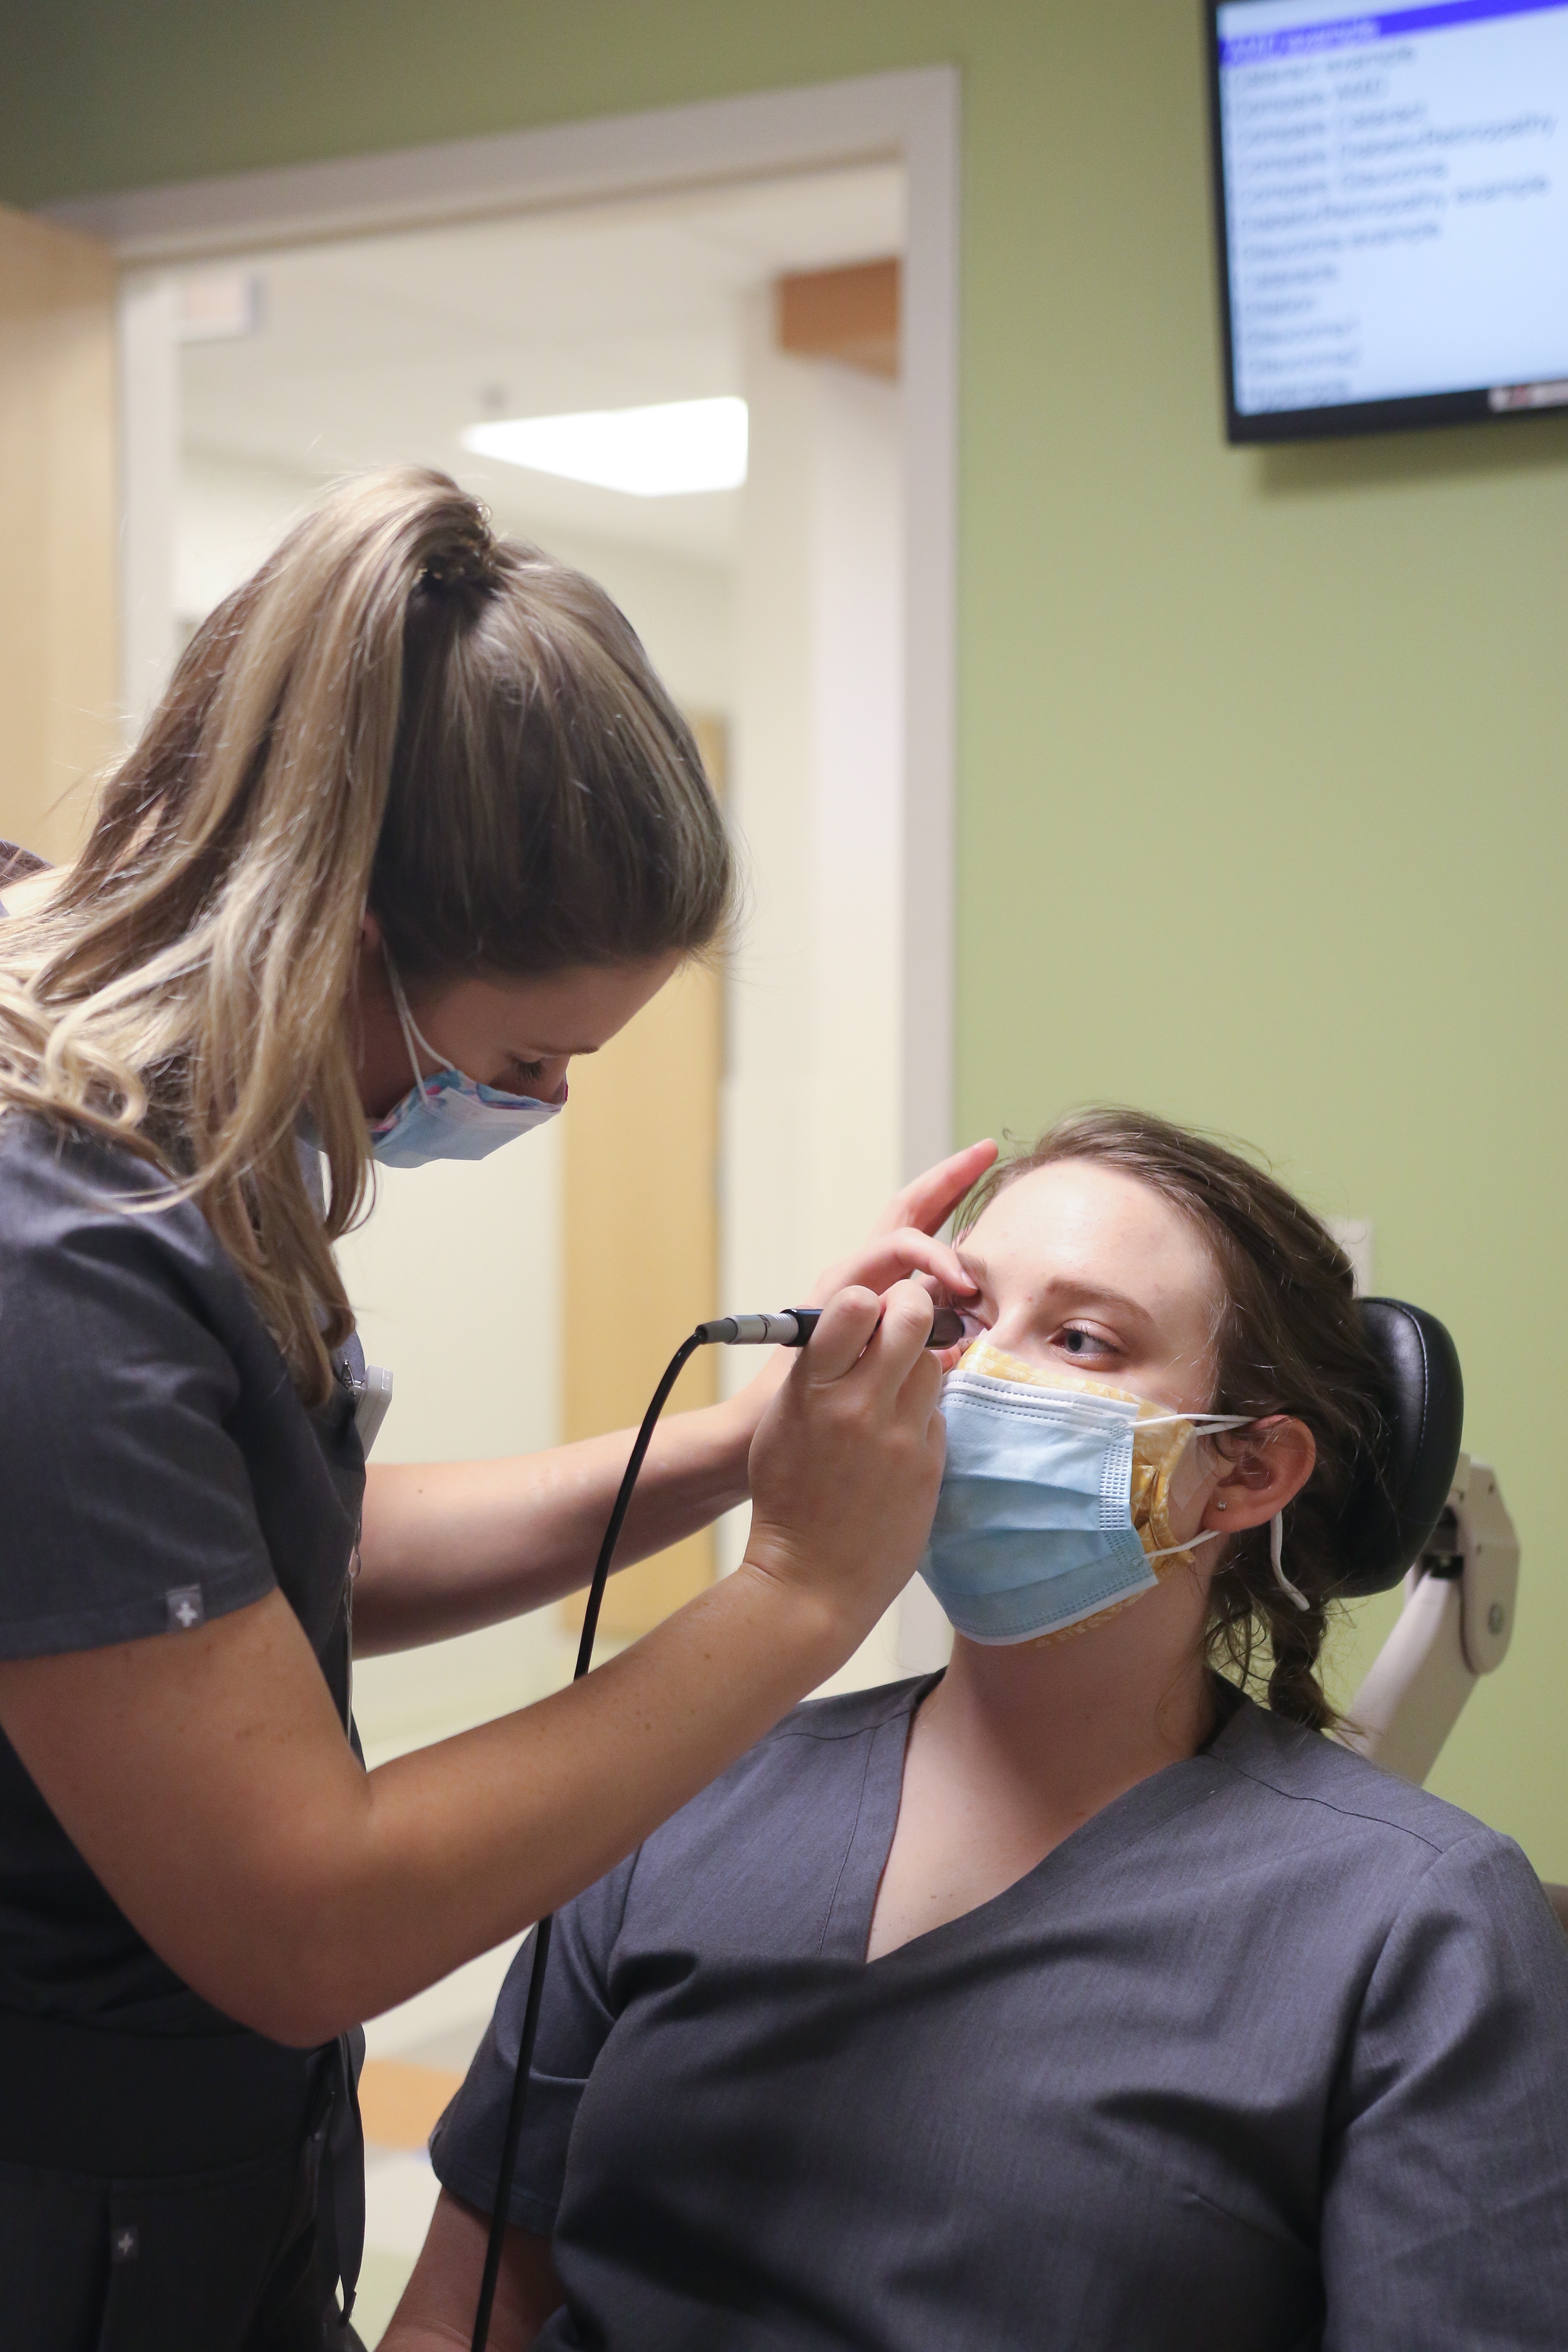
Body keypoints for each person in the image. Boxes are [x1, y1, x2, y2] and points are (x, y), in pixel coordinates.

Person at [0, 466, 993, 2350]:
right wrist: (795, 1595)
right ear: (352, 937)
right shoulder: (50, 1238)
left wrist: (742, 1444)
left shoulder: (173, 1131)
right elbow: (307, 1924)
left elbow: (241, 1585)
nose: (538, 1106)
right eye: (527, 1056)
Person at [388, 1107, 1568, 2352]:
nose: (978, 1374)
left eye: (1080, 1337)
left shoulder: (1416, 1923)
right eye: (958, 1320)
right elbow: (464, 2317)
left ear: (1247, 1473)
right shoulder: (678, 1787)